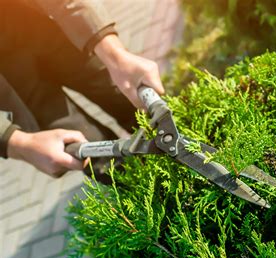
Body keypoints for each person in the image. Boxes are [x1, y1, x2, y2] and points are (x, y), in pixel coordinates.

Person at [0, 0, 165, 177]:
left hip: (36, 24)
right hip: (11, 89)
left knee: (134, 99)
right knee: (99, 157)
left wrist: (116, 56)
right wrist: (18, 142)